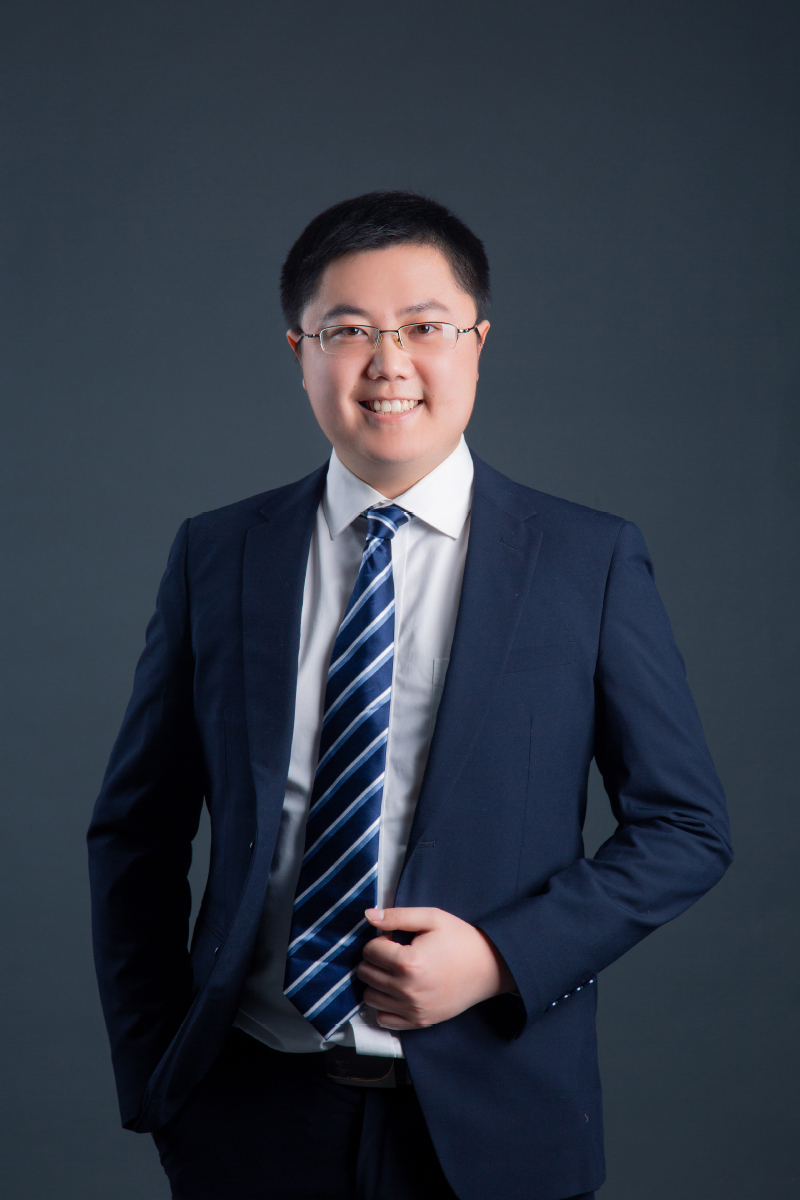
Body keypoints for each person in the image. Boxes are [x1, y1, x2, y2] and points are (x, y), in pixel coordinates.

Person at [88, 191, 733, 1200]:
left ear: (477, 343)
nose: (388, 364)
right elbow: (137, 831)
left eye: (425, 327)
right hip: (248, 1114)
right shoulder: (217, 555)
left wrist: (497, 958)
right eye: (348, 331)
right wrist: (156, 1080)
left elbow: (686, 828)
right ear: (299, 351)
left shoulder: (586, 560)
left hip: (499, 1116)